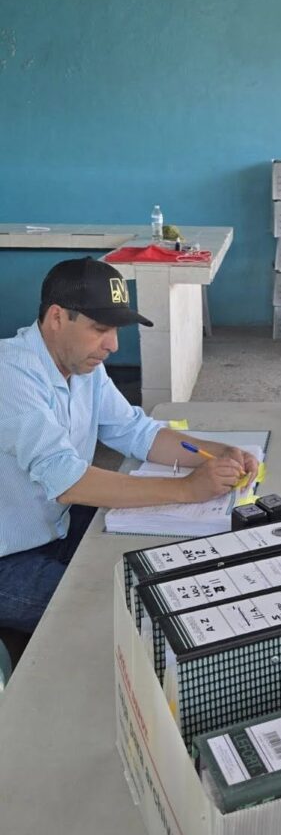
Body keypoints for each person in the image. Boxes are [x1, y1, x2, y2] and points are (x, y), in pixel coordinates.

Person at [0, 256, 259, 656]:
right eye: (100, 329)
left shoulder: (82, 366)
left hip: (57, 523)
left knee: (164, 568)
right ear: (56, 318)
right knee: (130, 618)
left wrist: (218, 451)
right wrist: (187, 490)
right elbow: (68, 481)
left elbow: (137, 433)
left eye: (116, 330)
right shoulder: (11, 375)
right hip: (10, 558)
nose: (113, 345)